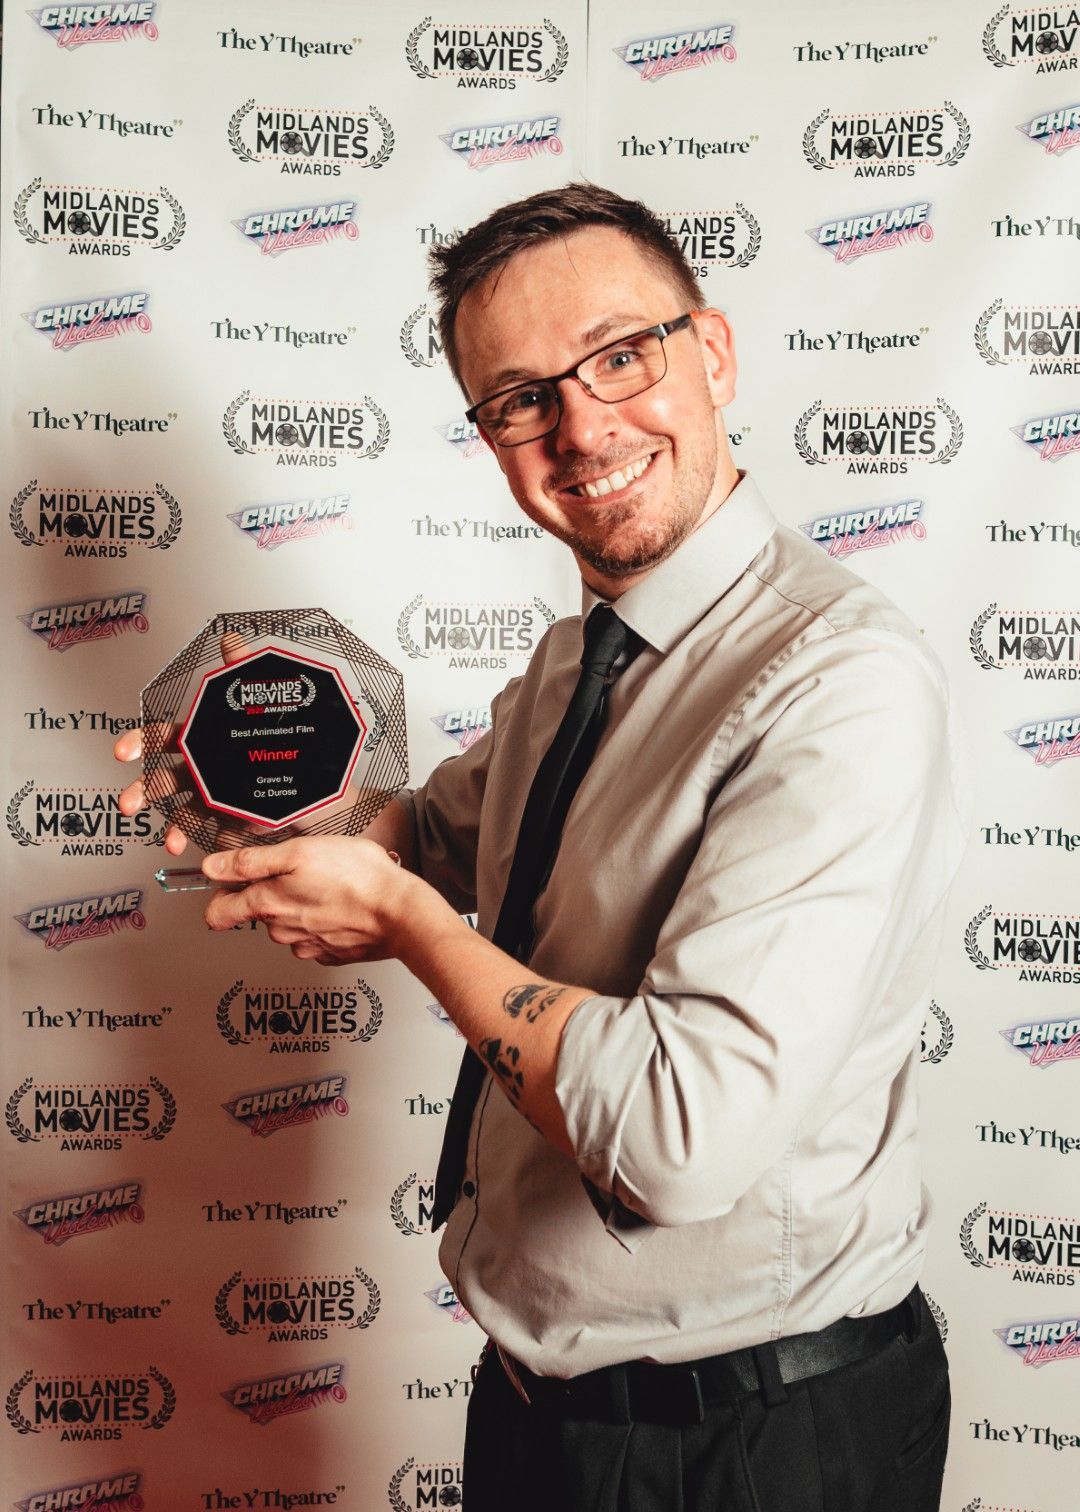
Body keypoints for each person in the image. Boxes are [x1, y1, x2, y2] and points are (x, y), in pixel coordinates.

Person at [117, 184, 970, 1511]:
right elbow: (424, 839)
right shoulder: (579, 661)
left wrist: (405, 925)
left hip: (752, 1443)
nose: (581, 427)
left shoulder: (838, 683)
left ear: (714, 353)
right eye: (521, 399)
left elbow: (680, 1138)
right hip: (542, 1414)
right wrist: (245, 781)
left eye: (620, 356)